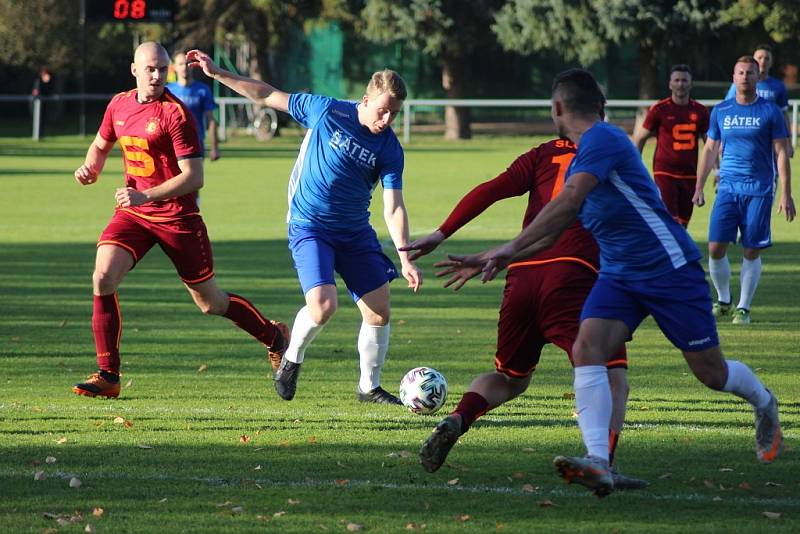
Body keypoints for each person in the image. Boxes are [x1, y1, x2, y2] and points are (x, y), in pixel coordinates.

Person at [442, 68, 783, 498]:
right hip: (620, 276)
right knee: (589, 350)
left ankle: (764, 402)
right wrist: (497, 256)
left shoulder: (603, 139)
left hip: (669, 269)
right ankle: (599, 463)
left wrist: (506, 250)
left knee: (711, 373)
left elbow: (568, 202)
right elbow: (555, 228)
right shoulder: (589, 150)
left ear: (558, 109)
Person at [401, 137, 647, 489]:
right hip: (573, 278)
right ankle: (604, 463)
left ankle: (458, 418)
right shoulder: (613, 151)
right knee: (610, 375)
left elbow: (491, 189)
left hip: (522, 274)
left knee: (510, 378)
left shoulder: (542, 153)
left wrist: (442, 233)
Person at [185, 49, 422, 404]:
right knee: (324, 306)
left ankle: (368, 387)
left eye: (394, 113)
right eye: (382, 110)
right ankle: (292, 359)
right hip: (309, 224)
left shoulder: (389, 148)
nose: (386, 119)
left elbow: (394, 205)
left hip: (354, 231)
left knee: (379, 308)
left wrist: (405, 256)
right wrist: (217, 73)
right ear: (366, 99)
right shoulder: (327, 110)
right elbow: (265, 94)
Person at [71, 42, 289, 399]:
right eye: (150, 69)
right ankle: (108, 374)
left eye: (161, 69)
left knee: (210, 303)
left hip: (178, 218)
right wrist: (90, 168)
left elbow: (194, 176)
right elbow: (100, 144)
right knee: (103, 276)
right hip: (134, 214)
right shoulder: (119, 105)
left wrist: (147, 195)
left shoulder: (176, 114)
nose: (157, 76)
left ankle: (274, 335)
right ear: (134, 70)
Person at [694, 56, 795, 325]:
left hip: (759, 189)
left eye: (750, 73)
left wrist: (786, 193)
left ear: (756, 77)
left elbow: (782, 153)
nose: (745, 77)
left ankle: (743, 308)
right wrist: (699, 186)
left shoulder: (770, 111)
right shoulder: (721, 111)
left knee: (751, 249)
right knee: (715, 247)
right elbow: (709, 149)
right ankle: (724, 299)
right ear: (733, 76)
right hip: (727, 187)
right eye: (740, 73)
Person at [632, 65, 709, 227]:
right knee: (669, 221)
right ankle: (668, 252)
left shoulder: (700, 111)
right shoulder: (660, 109)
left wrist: (716, 169)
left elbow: (710, 144)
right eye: (677, 80)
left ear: (690, 84)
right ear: (670, 84)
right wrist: (634, 165)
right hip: (665, 173)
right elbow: (640, 138)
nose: (680, 84)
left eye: (684, 80)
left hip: (689, 174)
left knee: (683, 224)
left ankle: (676, 251)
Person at [723, 44, 793, 158]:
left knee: (771, 173)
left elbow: (783, 114)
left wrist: (788, 141)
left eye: (766, 58)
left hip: (770, 139)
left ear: (771, 62)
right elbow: (728, 110)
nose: (763, 61)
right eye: (759, 58)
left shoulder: (778, 86)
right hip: (744, 138)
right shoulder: (739, 84)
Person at [166, 51, 221, 162]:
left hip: (195, 143)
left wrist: (214, 147)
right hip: (171, 144)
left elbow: (211, 120)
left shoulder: (203, 90)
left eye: (187, 63)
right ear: (174, 67)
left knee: (195, 179)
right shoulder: (167, 91)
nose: (184, 67)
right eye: (180, 64)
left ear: (192, 66)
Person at [31, 66, 53, 138]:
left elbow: (49, 92)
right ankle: (38, 135)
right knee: (38, 119)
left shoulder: (50, 82)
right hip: (38, 103)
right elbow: (36, 92)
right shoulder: (38, 81)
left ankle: (41, 135)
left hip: (44, 103)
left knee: (43, 119)